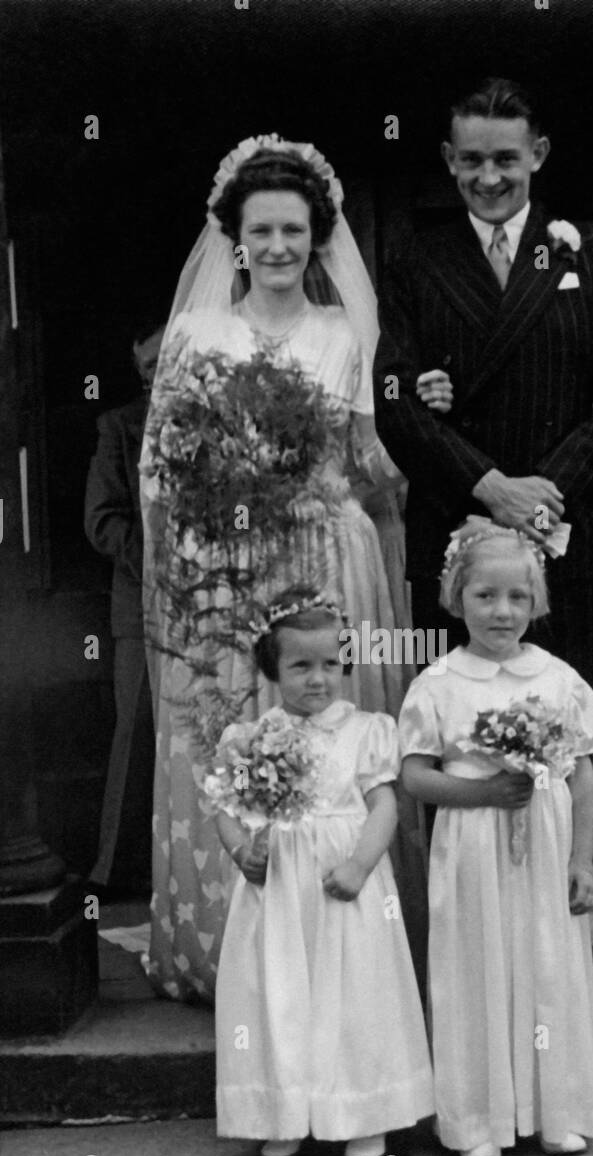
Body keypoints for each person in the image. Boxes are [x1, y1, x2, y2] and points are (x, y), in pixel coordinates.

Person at [140, 136, 417, 1002]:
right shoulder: (195, 333)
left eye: (293, 230)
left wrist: (342, 476)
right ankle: (238, 951)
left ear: (316, 235)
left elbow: (373, 458)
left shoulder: (344, 333)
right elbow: (160, 464)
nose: (277, 249)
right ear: (233, 236)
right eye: (259, 230)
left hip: (325, 554)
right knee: (236, 733)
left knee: (330, 737)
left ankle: (340, 943)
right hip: (228, 560)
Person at [373, 76, 593, 688]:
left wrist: (541, 494)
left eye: (506, 159)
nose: (489, 177)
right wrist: (492, 487)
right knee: (454, 740)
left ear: (538, 154)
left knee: (553, 736)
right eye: (471, 160)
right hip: (454, 535)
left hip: (561, 536)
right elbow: (395, 403)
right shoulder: (416, 260)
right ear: (450, 160)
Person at [398, 519, 593, 1156]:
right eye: (485, 596)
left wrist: (582, 860)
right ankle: (478, 1119)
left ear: (536, 601)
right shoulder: (439, 683)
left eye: (517, 597)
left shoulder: (559, 679)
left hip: (544, 846)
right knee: (476, 966)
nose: (502, 611)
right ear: (457, 597)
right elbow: (414, 776)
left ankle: (554, 1109)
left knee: (548, 965)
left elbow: (583, 775)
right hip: (472, 846)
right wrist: (484, 794)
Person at [209, 588, 434, 1156]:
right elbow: (226, 809)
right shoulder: (252, 738)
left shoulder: (366, 730)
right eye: (300, 666)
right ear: (272, 668)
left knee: (355, 994)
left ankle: (363, 1111)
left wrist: (360, 864)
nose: (317, 679)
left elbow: (384, 805)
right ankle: (283, 1111)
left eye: (330, 664)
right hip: (280, 885)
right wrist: (241, 852)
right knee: (280, 992)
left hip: (346, 882)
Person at [84, 321, 164, 893]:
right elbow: (102, 520)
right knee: (134, 733)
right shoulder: (118, 427)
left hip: (210, 604)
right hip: (138, 604)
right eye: (146, 370)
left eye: (165, 363)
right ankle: (114, 876)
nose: (156, 379)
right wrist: (158, 567)